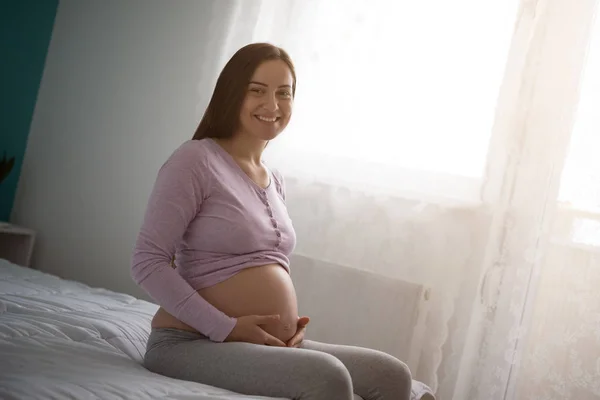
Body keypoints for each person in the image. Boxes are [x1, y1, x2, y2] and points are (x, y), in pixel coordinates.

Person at [131, 42, 412, 400]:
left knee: (391, 376)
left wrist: (288, 325)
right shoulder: (195, 160)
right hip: (190, 341)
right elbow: (147, 262)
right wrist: (227, 327)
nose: (273, 105)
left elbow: (267, 264)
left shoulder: (272, 178)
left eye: (284, 93)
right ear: (232, 94)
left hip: (261, 341)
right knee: (326, 378)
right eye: (257, 91)